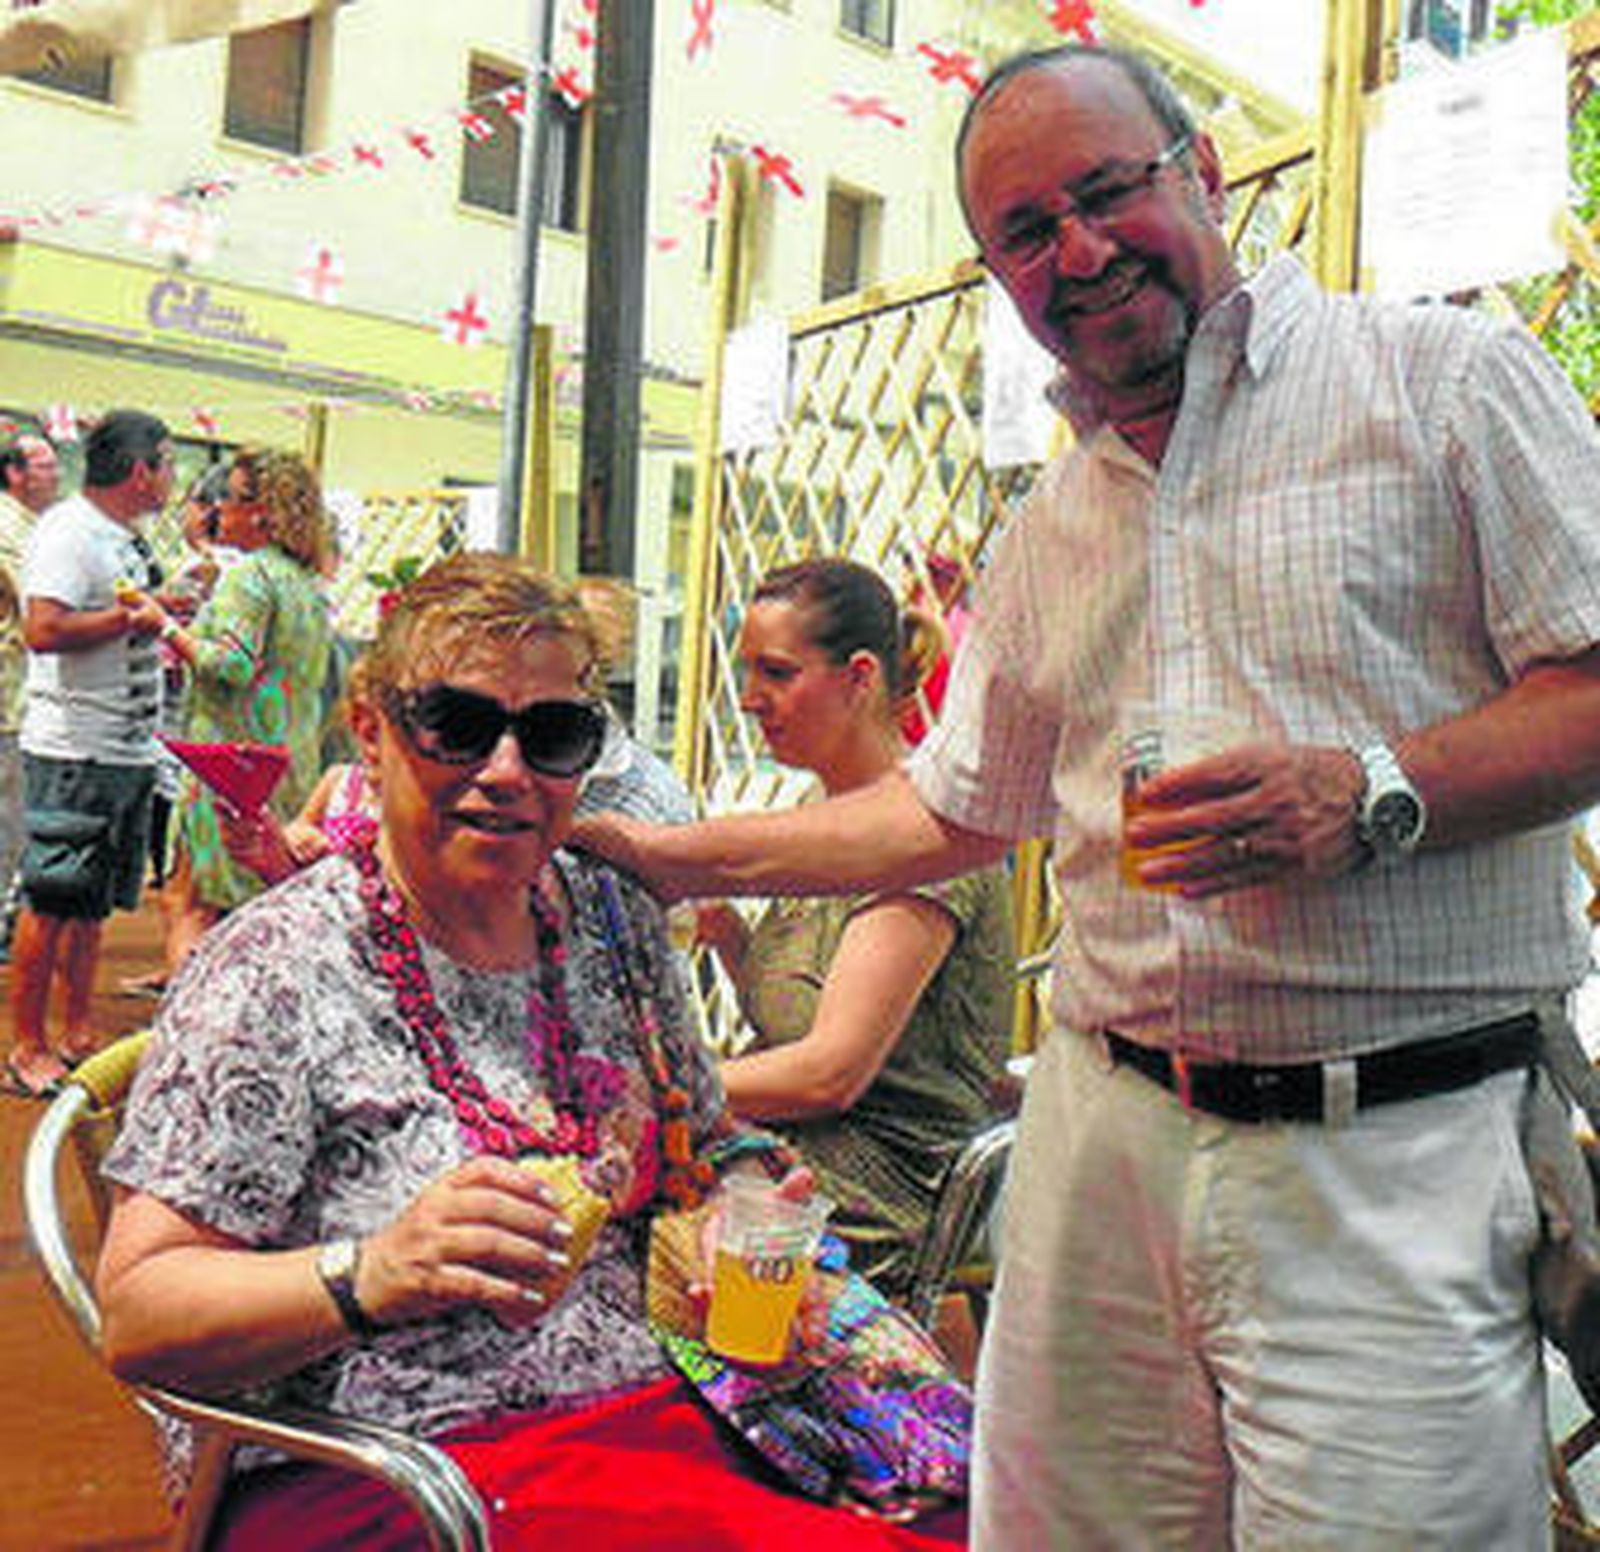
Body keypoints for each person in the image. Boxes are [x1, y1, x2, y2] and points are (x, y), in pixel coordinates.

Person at [573, 43, 1600, 1549]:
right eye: (1027, 233)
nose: (1081, 251)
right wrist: (665, 858)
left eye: (1108, 192)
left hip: (1396, 1144)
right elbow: (952, 810)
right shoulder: (1055, 519)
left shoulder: (1441, 382)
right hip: (1102, 1134)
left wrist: (1372, 789)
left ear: (1202, 173)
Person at [95, 552, 967, 1551]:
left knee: (988, 1501)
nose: (506, 771)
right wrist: (373, 1269)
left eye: (552, 735)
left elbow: (709, 1137)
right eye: (456, 726)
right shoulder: (274, 967)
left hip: (676, 1400)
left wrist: (733, 1204)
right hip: (396, 1459)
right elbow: (140, 1311)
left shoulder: (607, 912)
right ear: (370, 732)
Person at [698, 558, 1014, 1300]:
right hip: (776, 1170)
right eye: (748, 673)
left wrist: (671, 1085)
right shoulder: (825, 821)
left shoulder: (924, 842)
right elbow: (799, 1022)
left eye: (776, 673)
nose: (749, 699)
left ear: (859, 676)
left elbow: (829, 1073)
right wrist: (732, 942)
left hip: (855, 1204)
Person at [6, 411, 171, 1097]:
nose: (171, 477)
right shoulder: (69, 533)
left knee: (93, 901)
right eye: (167, 463)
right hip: (76, 748)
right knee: (52, 898)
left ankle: (75, 1027)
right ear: (140, 471)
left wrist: (161, 609)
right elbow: (42, 629)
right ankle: (26, 1043)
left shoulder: (121, 537)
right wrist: (133, 618)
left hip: (124, 749)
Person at [154, 446, 333, 972]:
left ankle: (187, 1033)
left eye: (227, 498)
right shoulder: (305, 585)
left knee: (191, 903)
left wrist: (163, 627)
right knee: (261, 911)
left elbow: (231, 666)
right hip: (284, 766)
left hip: (226, 766)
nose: (216, 511)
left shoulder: (249, 576)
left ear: (262, 510)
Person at [0, 432, 61, 959]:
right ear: (15, 475)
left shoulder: (32, 529)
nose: (57, 474)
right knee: (9, 814)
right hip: (9, 693)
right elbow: (41, 607)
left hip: (23, 692)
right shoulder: (8, 531)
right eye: (45, 466)